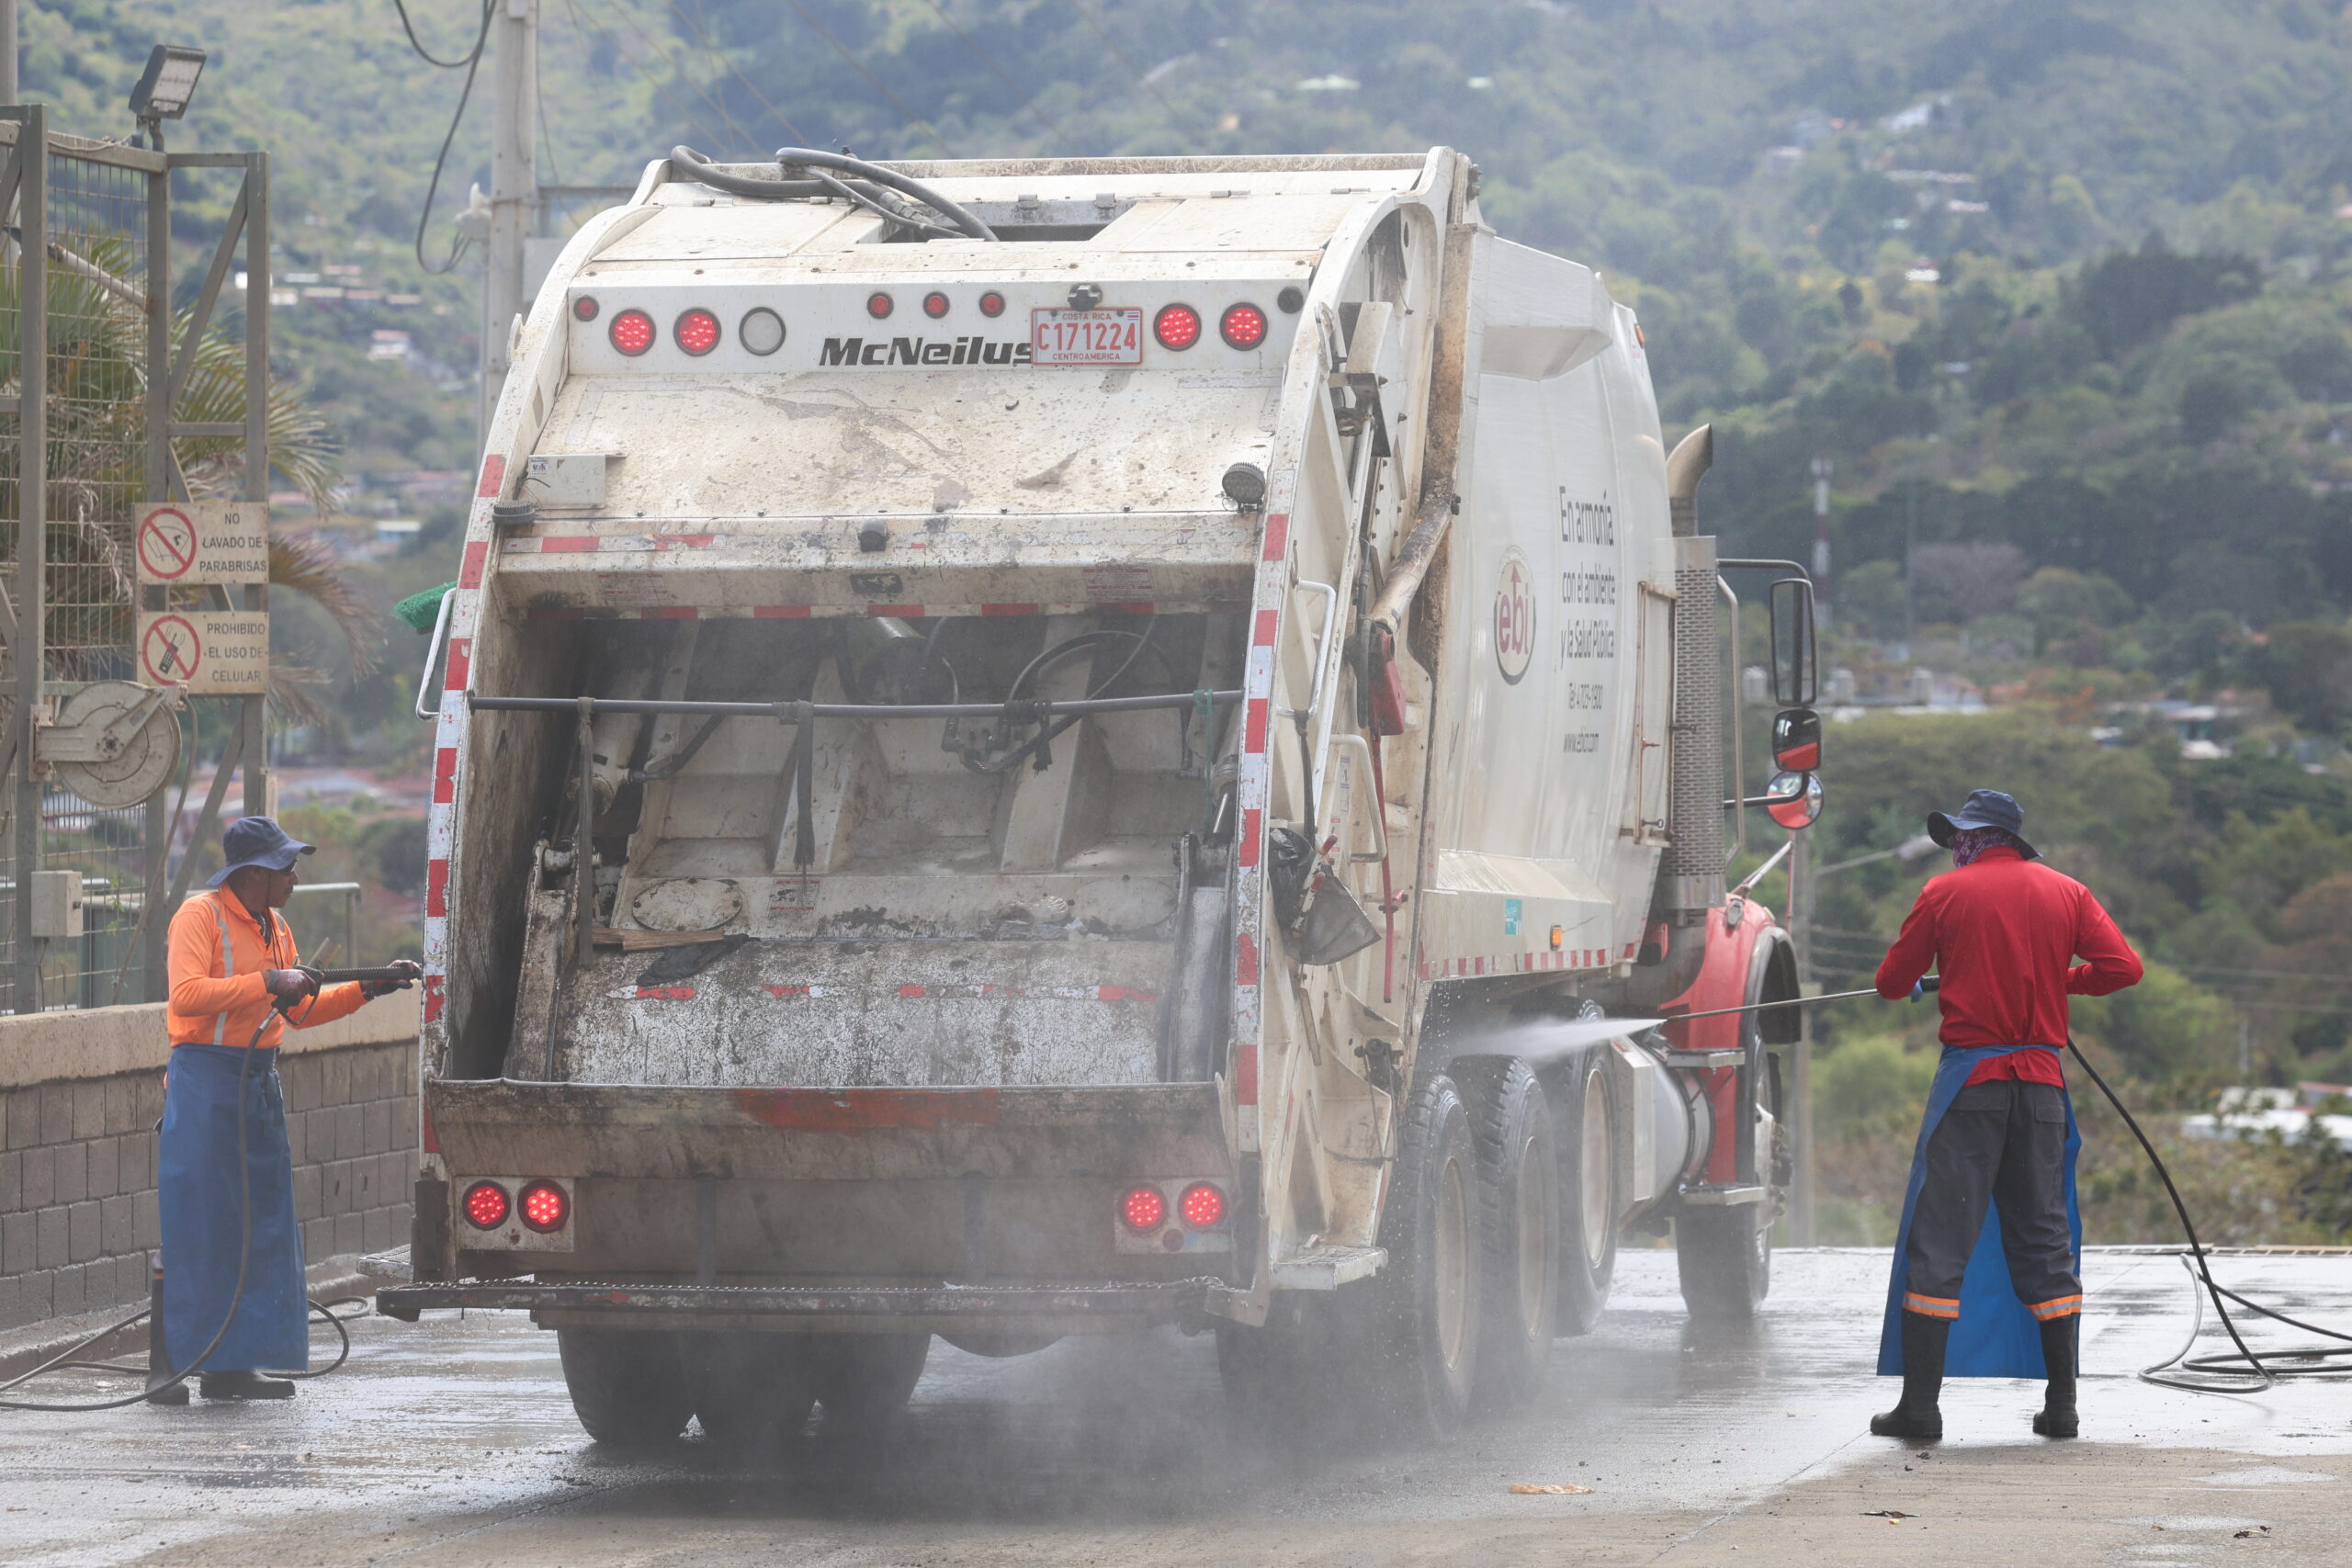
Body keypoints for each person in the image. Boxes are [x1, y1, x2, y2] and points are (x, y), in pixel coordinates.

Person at [1869, 789, 2142, 1441]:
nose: (1955, 847)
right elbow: (2122, 968)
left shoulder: (1943, 894)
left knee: (1940, 1242)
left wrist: (1916, 978)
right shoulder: (2067, 891)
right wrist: (2060, 979)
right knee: (2046, 1240)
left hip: (1974, 1087)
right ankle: (2062, 1406)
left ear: (1975, 837)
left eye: (1960, 835)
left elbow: (1888, 982)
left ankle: (1921, 1408)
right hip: (2041, 1089)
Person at [156, 816, 420, 1402]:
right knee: (209, 1221)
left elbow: (297, 1012)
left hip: (256, 1082)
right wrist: (266, 980)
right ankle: (189, 1358)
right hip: (205, 1080)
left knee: (261, 1224)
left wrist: (369, 987)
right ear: (255, 874)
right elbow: (186, 995)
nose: (296, 878)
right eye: (286, 868)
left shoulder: (276, 926)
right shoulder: (199, 917)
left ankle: (237, 1364)